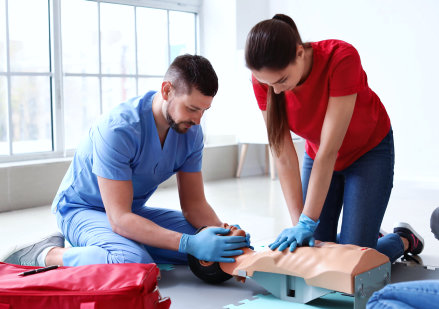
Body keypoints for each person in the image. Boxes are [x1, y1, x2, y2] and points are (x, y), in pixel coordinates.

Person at [4, 54, 249, 267]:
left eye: (204, 111)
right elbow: (119, 218)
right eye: (192, 108)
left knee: (217, 249)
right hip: (82, 210)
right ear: (166, 90)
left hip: (129, 212)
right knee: (132, 261)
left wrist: (224, 233)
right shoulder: (118, 129)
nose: (198, 120)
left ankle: (123, 243)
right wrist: (187, 243)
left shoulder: (191, 133)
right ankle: (48, 253)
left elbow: (194, 206)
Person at [244, 14, 423, 262]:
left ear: (299, 53)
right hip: (317, 154)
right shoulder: (265, 78)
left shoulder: (341, 58)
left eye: (282, 80)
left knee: (353, 260)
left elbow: (330, 150)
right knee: (314, 251)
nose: (275, 90)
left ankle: (402, 239)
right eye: (268, 83)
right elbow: (283, 156)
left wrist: (308, 222)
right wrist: (300, 227)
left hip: (367, 152)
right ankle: (364, 236)